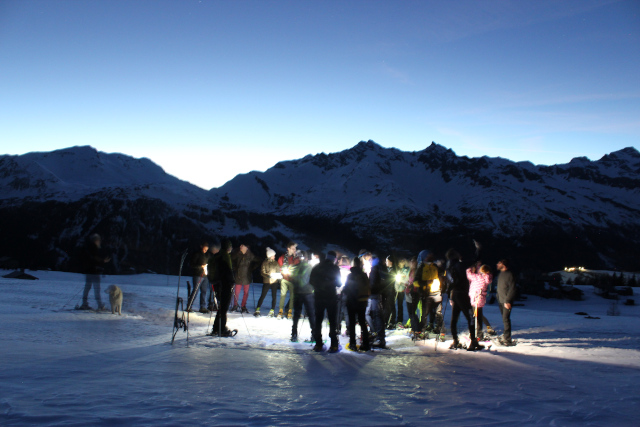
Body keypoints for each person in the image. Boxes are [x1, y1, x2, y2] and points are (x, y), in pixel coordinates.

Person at [445, 248, 480, 351]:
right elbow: (475, 260)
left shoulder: (448, 267)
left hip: (454, 294)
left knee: (454, 318)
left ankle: (455, 340)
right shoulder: (460, 265)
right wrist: (478, 250)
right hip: (462, 294)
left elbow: (449, 282)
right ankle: (473, 341)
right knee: (470, 317)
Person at [309, 251, 342, 352]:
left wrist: (319, 286)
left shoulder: (317, 267)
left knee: (318, 319)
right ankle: (334, 344)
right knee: (332, 320)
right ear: (334, 259)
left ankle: (318, 343)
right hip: (331, 296)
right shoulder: (335, 268)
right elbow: (339, 284)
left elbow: (311, 281)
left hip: (319, 296)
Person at [343, 256, 370, 351]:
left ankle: (353, 343)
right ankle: (366, 343)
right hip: (362, 302)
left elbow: (347, 289)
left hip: (352, 302)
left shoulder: (351, 275)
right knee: (362, 322)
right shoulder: (364, 275)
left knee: (352, 323)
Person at [211, 240, 236, 337]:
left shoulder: (217, 256)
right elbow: (228, 271)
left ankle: (216, 328)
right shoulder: (225, 256)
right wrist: (232, 282)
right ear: (228, 247)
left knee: (221, 306)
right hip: (225, 285)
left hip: (217, 284)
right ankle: (221, 329)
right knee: (224, 307)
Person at [79, 233, 110, 310]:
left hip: (88, 271)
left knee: (87, 287)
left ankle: (84, 303)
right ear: (96, 240)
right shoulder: (94, 248)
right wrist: (103, 261)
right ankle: (100, 305)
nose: (99, 242)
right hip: (94, 272)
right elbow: (94, 259)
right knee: (96, 289)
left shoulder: (88, 248)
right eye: (98, 240)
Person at [290, 253, 316, 342]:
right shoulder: (310, 267)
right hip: (308, 292)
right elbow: (313, 279)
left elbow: (291, 278)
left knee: (296, 314)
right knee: (311, 314)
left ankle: (294, 335)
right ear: (306, 258)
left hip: (297, 292)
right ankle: (314, 335)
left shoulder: (295, 267)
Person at [416, 251, 442, 333]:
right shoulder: (421, 267)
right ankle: (422, 330)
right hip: (426, 293)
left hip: (436, 292)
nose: (429, 257)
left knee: (438, 312)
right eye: (428, 256)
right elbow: (416, 282)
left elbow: (442, 275)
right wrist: (425, 283)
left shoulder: (435, 266)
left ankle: (439, 328)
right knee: (425, 313)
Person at [467, 263, 493, 339]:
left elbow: (469, 275)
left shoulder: (479, 277)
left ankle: (477, 334)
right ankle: (479, 333)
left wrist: (469, 268)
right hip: (480, 298)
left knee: (475, 317)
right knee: (478, 315)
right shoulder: (486, 277)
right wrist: (478, 265)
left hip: (476, 298)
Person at [365, 254, 386, 348]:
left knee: (376, 316)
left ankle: (379, 338)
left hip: (374, 295)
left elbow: (372, 284)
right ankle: (379, 336)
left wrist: (367, 288)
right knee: (376, 315)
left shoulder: (374, 269)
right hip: (378, 295)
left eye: (370, 260)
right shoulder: (380, 268)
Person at [231, 243, 257, 313]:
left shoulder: (250, 255)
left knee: (246, 293)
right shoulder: (237, 254)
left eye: (242, 246)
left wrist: (252, 268)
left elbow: (256, 261)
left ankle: (243, 306)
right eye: (240, 245)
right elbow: (232, 260)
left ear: (246, 247)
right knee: (236, 292)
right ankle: (235, 305)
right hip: (238, 276)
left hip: (246, 277)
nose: (240, 247)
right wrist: (234, 268)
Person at [277, 241, 300, 319]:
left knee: (292, 296)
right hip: (284, 279)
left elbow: (298, 266)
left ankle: (290, 311)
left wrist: (295, 258)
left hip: (293, 280)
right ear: (288, 249)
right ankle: (280, 311)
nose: (294, 250)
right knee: (283, 295)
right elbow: (279, 266)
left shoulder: (296, 258)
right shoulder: (283, 257)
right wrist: (282, 272)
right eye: (293, 248)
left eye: (295, 248)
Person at [256, 247, 281, 317]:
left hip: (274, 281)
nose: (274, 256)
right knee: (263, 295)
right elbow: (262, 272)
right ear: (270, 256)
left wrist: (278, 277)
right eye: (273, 255)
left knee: (274, 296)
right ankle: (258, 308)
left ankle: (272, 310)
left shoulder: (276, 263)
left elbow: (278, 271)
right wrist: (267, 276)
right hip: (267, 281)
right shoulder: (264, 262)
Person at [496, 259, 517, 345]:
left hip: (506, 301)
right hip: (501, 300)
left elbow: (513, 288)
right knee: (504, 319)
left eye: (499, 263)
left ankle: (507, 339)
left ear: (503, 265)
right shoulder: (500, 274)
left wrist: (508, 301)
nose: (497, 264)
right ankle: (505, 336)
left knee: (506, 319)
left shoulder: (510, 274)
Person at [189, 241, 211, 313]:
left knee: (204, 291)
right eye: (205, 249)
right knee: (195, 291)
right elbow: (192, 265)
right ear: (201, 247)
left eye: (207, 249)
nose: (205, 250)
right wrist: (200, 266)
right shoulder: (197, 254)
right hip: (198, 275)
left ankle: (203, 307)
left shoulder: (207, 255)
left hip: (205, 276)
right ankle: (189, 306)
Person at [206, 241, 222, 312]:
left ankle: (216, 304)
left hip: (217, 277)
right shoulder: (211, 256)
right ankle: (211, 304)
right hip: (212, 277)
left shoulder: (218, 256)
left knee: (217, 291)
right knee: (212, 291)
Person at [383, 255, 397, 329]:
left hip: (391, 290)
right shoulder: (387, 269)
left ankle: (391, 322)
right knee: (387, 306)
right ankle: (387, 321)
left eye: (387, 261)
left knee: (391, 306)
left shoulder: (393, 270)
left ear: (390, 262)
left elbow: (390, 280)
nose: (386, 262)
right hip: (387, 290)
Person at [395, 258, 409, 328]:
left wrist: (402, 281)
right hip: (396, 289)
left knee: (400, 305)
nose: (400, 264)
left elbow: (406, 279)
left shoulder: (406, 270)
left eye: (402, 262)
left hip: (401, 289)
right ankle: (394, 319)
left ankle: (399, 320)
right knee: (394, 305)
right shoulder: (398, 269)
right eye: (400, 262)